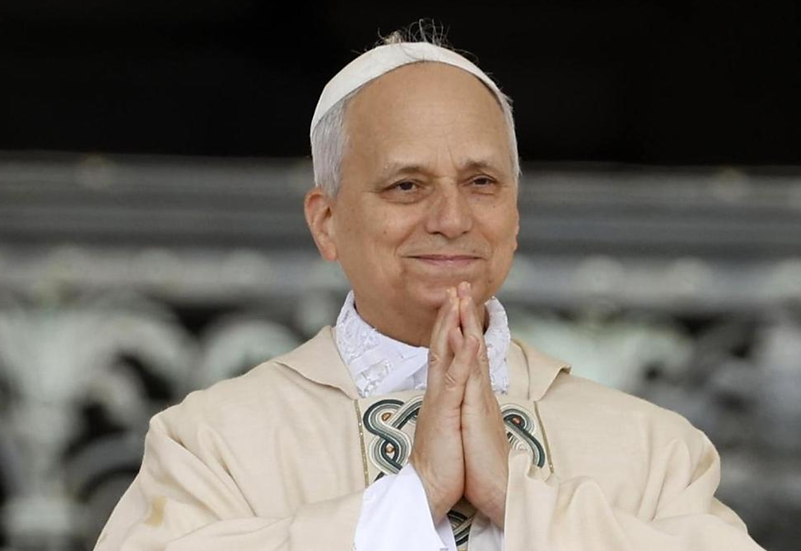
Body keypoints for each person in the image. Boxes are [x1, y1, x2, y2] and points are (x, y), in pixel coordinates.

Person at [94, 28, 766, 551]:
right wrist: (412, 500)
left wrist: (517, 500)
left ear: (515, 216)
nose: (451, 218)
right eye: (407, 185)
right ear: (327, 223)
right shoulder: (211, 445)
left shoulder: (652, 448)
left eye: (481, 183)